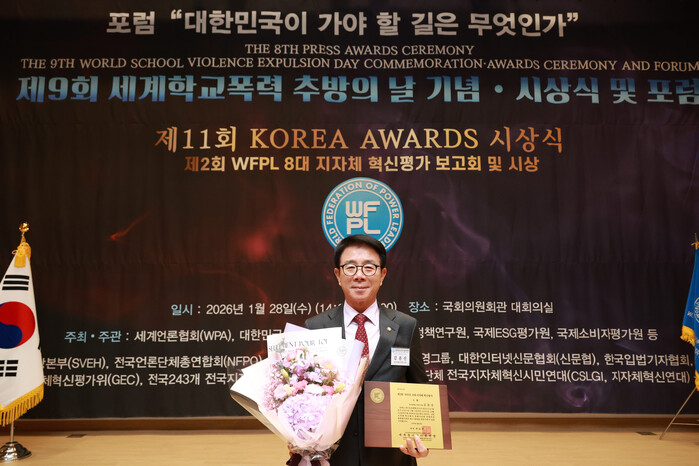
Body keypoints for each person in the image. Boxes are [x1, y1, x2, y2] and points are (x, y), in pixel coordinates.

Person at [302, 234, 430, 466]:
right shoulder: (316, 327)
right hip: (334, 458)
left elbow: (418, 388)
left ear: (382, 275)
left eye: (369, 268)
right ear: (337, 275)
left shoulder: (406, 326)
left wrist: (423, 438)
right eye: (350, 267)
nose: (359, 275)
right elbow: (304, 396)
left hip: (391, 457)